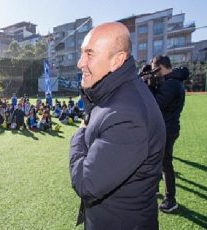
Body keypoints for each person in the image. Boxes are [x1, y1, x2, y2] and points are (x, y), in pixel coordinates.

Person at [69, 22, 165, 229]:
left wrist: (78, 136)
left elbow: (86, 183)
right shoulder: (117, 92)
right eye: (81, 53)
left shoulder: (126, 115)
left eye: (89, 54)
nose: (80, 63)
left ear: (117, 60)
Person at [151, 55, 187, 213]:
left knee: (166, 164)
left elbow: (155, 105)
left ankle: (170, 200)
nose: (153, 72)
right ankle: (158, 188)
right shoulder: (172, 81)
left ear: (160, 67)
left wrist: (151, 87)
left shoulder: (171, 85)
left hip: (167, 129)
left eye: (154, 69)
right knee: (160, 160)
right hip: (168, 127)